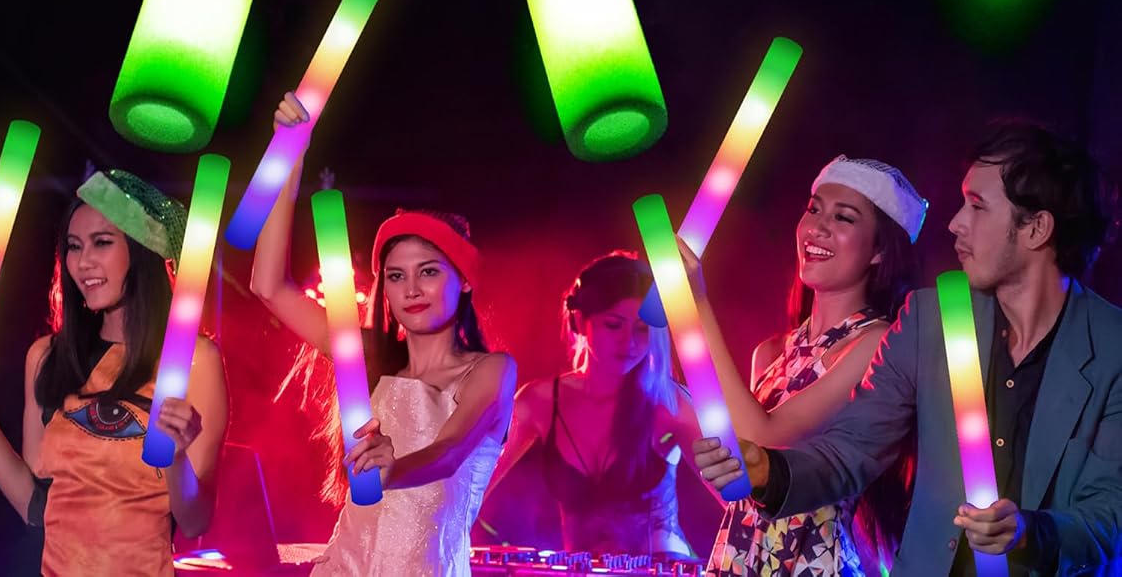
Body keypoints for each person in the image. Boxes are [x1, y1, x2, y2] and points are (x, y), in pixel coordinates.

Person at [695, 121, 1122, 575]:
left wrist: (1030, 533)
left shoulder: (1112, 347)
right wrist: (769, 471)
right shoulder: (929, 319)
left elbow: (1109, 515)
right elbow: (852, 449)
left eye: (977, 207)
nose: (955, 223)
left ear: (1036, 229)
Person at [250, 93, 516, 576]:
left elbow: (448, 452)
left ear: (464, 280)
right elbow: (269, 287)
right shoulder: (365, 358)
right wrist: (289, 156)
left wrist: (396, 468)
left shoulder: (491, 370)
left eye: (428, 271)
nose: (411, 289)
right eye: (396, 276)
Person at [0, 168, 227, 577]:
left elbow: (195, 522)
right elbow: (35, 505)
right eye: (73, 246)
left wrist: (176, 459)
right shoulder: (47, 357)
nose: (83, 261)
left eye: (102, 242)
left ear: (141, 250)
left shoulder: (194, 361)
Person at [691, 155, 925, 576]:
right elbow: (744, 485)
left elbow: (766, 438)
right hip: (739, 558)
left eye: (843, 217)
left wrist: (694, 305)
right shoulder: (769, 353)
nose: (818, 227)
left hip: (815, 563)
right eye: (814, 210)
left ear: (878, 250)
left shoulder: (877, 343)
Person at [478, 249, 695, 556]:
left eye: (642, 329)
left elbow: (736, 493)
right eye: (613, 325)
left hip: (665, 568)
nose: (629, 341)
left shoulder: (670, 403)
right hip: (580, 569)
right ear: (580, 321)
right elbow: (472, 483)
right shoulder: (538, 402)